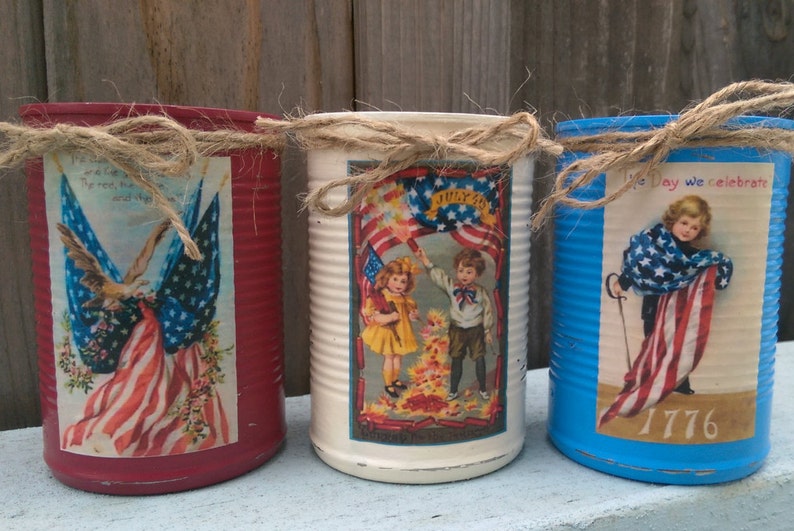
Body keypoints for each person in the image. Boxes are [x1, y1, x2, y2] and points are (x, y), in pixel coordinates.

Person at [601, 194, 733, 426]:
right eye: (684, 223)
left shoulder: (693, 257)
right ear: (673, 220)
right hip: (654, 303)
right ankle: (650, 378)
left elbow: (710, 264)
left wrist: (715, 274)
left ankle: (678, 381)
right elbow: (638, 267)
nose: (687, 230)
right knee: (653, 339)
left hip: (676, 306)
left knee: (678, 341)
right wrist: (622, 283)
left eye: (694, 227)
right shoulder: (650, 243)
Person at [415, 246, 494, 401]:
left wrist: (487, 331)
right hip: (457, 329)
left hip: (476, 330)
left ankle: (483, 389)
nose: (464, 275)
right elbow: (439, 277)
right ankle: (453, 390)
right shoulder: (452, 287)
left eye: (469, 272)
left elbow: (488, 311)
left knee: (479, 358)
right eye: (461, 270)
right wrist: (425, 260)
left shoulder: (480, 292)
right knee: (456, 359)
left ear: (477, 274)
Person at [360, 257, 421, 398]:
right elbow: (375, 316)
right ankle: (388, 384)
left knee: (398, 357)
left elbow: (411, 314)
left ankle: (395, 379)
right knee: (389, 357)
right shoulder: (380, 297)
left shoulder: (405, 299)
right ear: (387, 278)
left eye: (403, 281)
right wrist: (389, 318)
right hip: (386, 332)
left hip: (402, 331)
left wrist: (413, 315)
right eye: (395, 279)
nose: (399, 284)